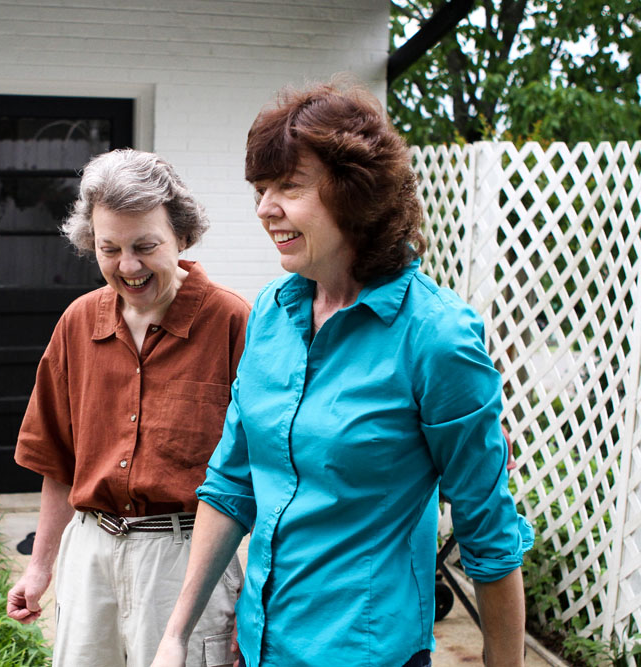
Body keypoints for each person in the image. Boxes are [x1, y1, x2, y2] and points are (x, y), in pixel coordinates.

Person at [152, 82, 534, 667]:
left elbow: (487, 532)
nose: (264, 208)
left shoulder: (435, 337)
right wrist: (176, 632)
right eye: (260, 189)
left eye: (289, 186)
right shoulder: (272, 317)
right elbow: (232, 486)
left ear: (355, 194)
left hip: (366, 652)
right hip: (260, 646)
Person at [7, 149, 250, 667]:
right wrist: (39, 567)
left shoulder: (232, 321)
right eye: (109, 248)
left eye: (145, 246)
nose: (128, 266)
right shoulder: (77, 323)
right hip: (90, 553)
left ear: (181, 236)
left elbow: (264, 473)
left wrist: (251, 590)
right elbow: (56, 460)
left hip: (186, 561)